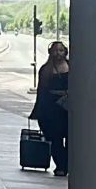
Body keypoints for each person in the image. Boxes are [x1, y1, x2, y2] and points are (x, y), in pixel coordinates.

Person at [32, 40, 69, 176]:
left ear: (65, 52)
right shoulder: (45, 70)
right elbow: (41, 91)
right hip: (51, 109)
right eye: (55, 50)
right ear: (50, 52)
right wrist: (38, 112)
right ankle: (61, 166)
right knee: (54, 139)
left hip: (68, 109)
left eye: (61, 50)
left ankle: (68, 164)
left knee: (71, 139)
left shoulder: (73, 67)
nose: (58, 53)